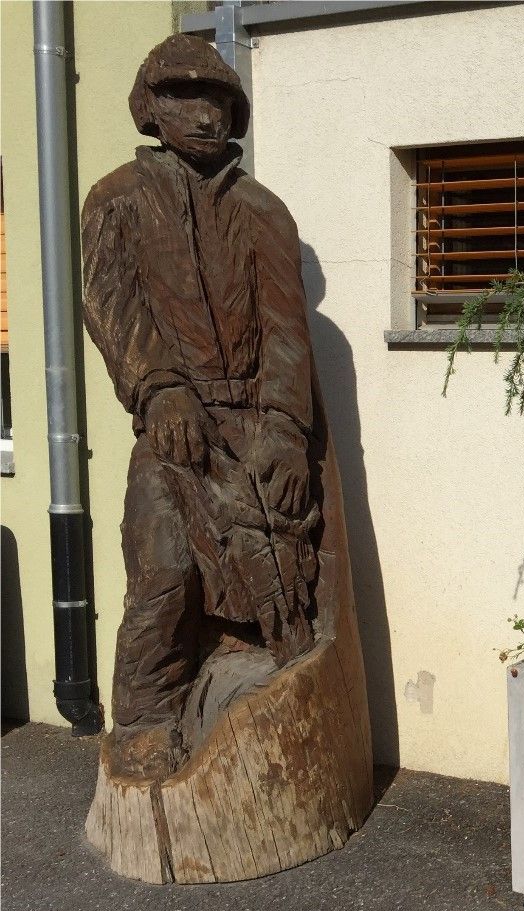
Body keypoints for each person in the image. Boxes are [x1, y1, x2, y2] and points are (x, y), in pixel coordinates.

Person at [82, 34, 320, 779]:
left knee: (274, 574)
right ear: (150, 109)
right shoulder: (116, 199)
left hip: (252, 421)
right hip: (172, 425)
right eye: (184, 97)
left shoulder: (261, 212)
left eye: (217, 98)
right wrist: (158, 388)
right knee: (162, 571)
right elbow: (108, 304)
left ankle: (266, 721)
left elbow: (286, 328)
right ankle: (149, 715)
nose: (204, 114)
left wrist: (285, 429)